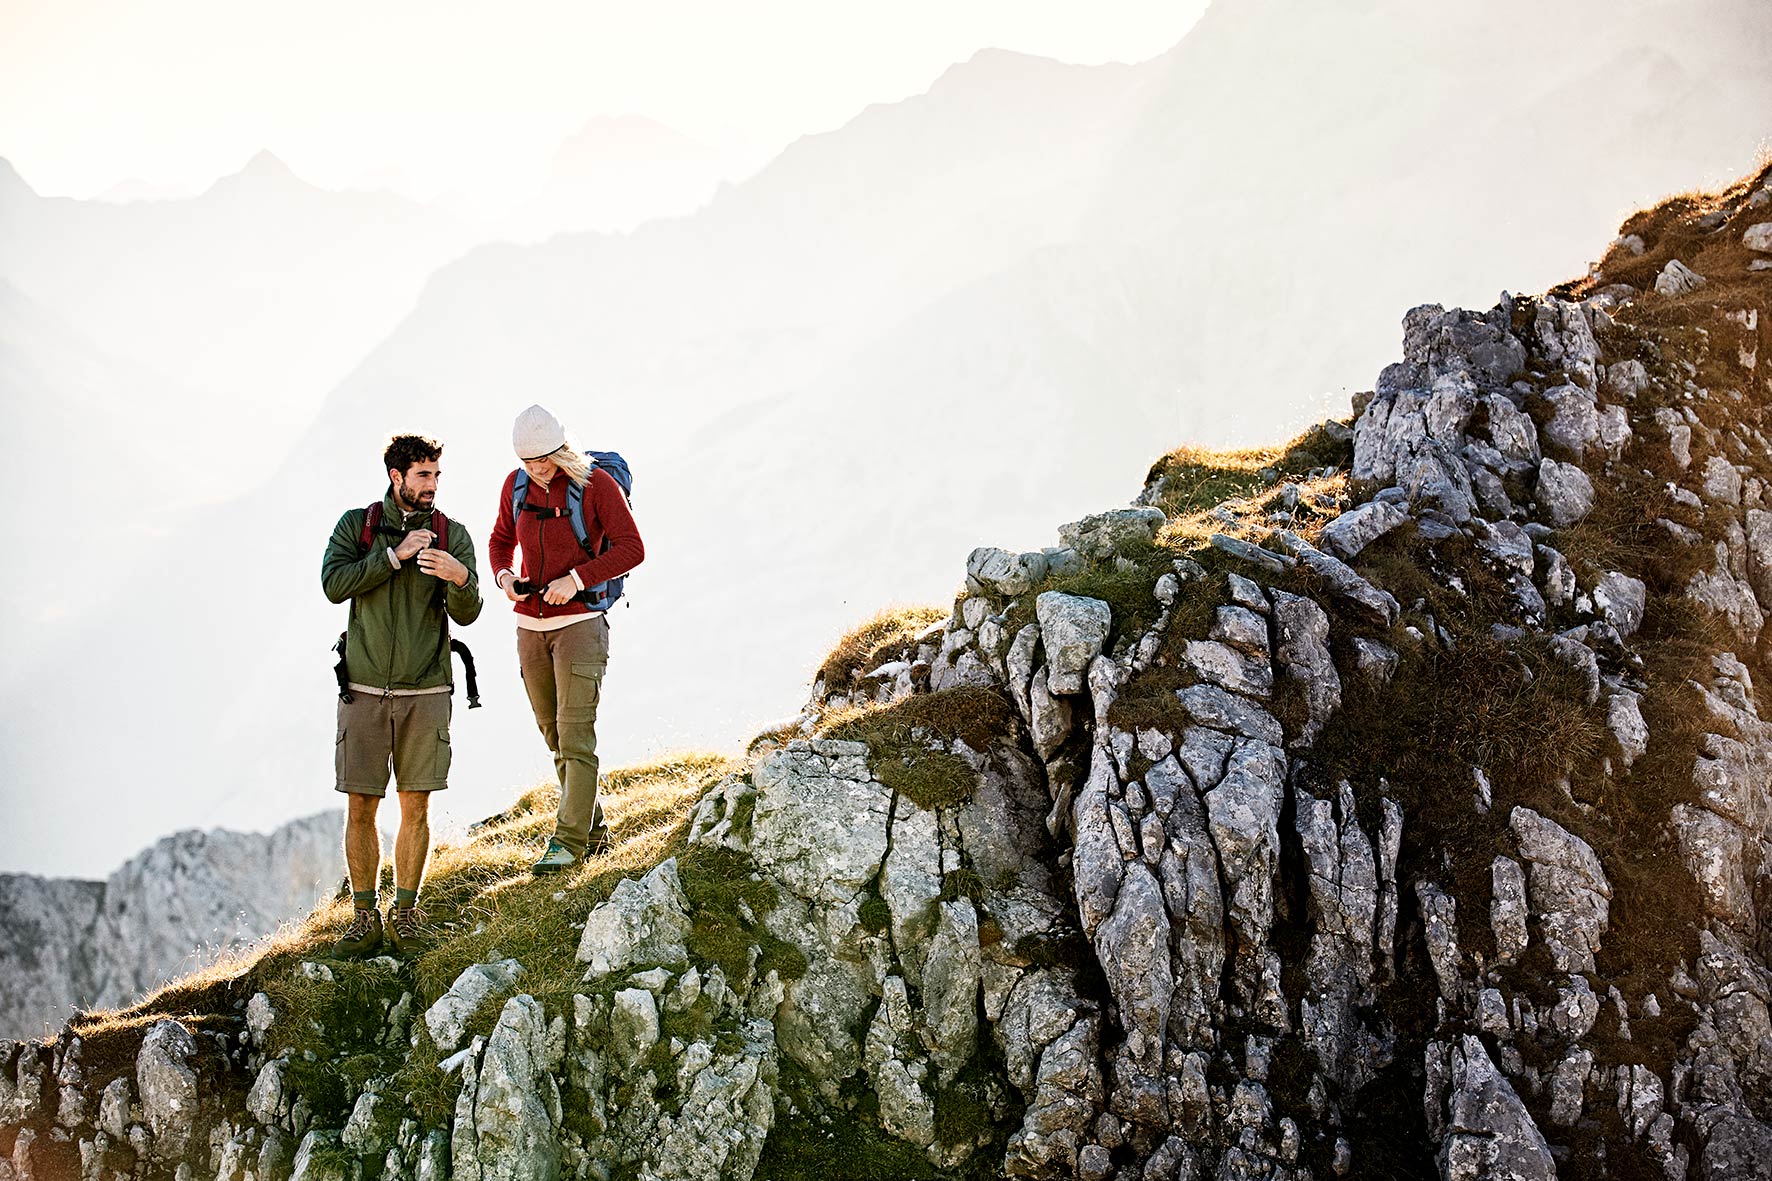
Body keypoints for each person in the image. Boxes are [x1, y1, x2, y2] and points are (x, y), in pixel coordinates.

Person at [321, 434, 482, 956]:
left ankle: (406, 915)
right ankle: (364, 919)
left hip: (427, 691)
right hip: (363, 691)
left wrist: (460, 578)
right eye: (423, 476)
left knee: (416, 807)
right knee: (361, 806)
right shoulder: (357, 526)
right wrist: (391, 556)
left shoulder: (451, 534)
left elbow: (469, 611)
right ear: (397, 477)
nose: (433, 486)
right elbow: (333, 584)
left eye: (437, 476)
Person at [488, 405, 644, 873]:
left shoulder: (595, 484)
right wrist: (504, 577)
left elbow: (632, 548)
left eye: (543, 458)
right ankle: (594, 834)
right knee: (554, 734)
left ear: (561, 448)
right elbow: (499, 539)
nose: (536, 469)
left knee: (576, 736)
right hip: (529, 629)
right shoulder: (514, 487)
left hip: (580, 626)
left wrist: (576, 580)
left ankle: (567, 842)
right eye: (527, 461)